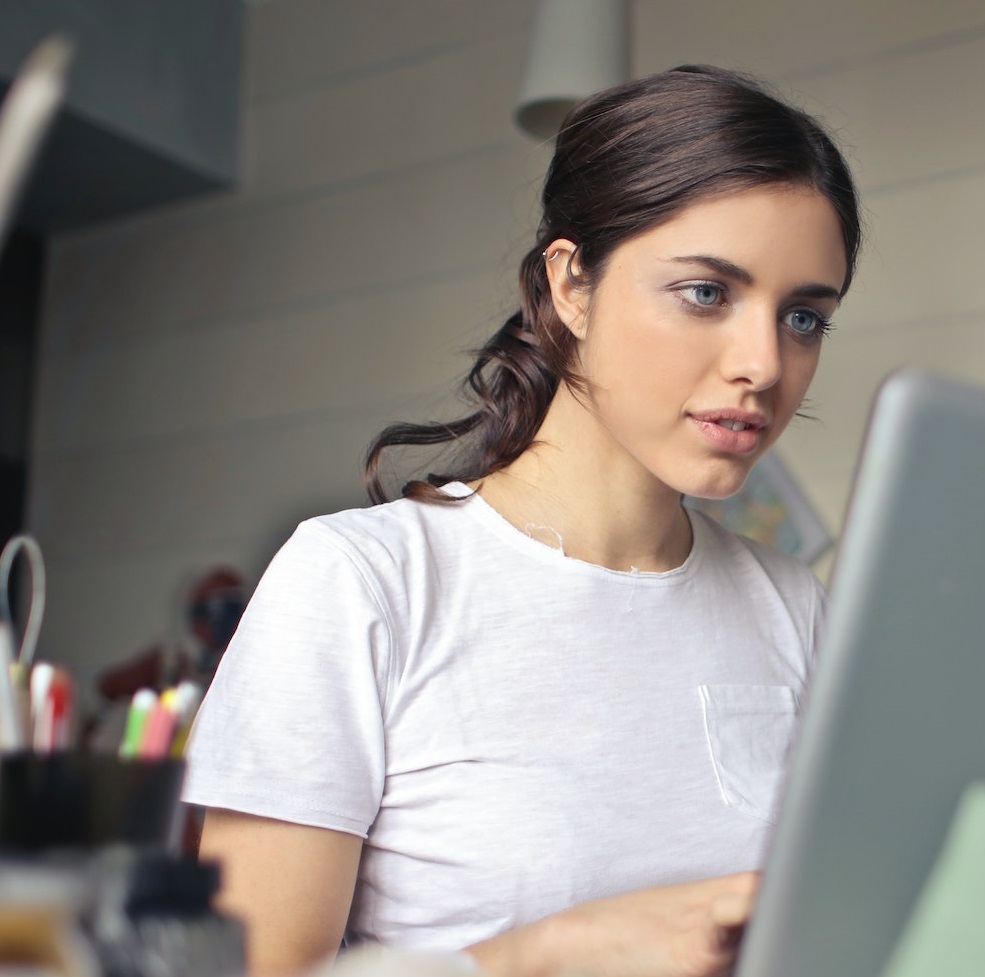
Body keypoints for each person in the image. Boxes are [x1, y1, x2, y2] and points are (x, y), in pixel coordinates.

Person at [182, 64, 862, 977]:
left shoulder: (795, 612)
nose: (762, 362)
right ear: (571, 285)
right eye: (706, 292)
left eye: (803, 318)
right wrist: (545, 953)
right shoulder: (362, 582)